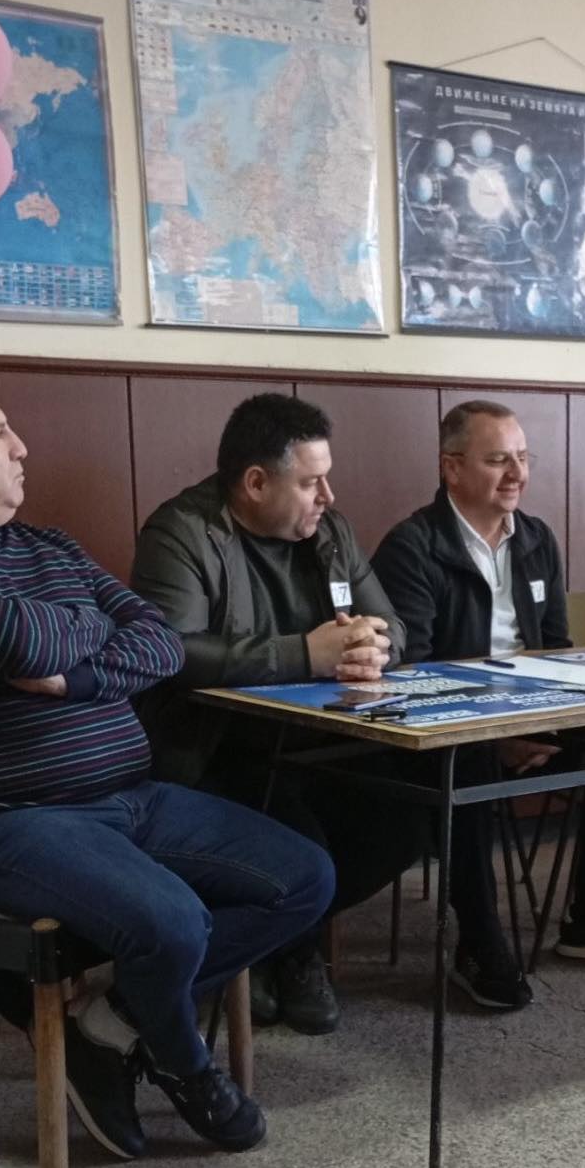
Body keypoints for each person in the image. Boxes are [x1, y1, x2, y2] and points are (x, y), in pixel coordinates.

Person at [0, 365, 335, 1159]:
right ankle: (184, 1062)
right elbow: (17, 641)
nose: (21, 447)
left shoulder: (51, 547)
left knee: (305, 877)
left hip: (132, 796)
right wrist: (82, 625)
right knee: (173, 924)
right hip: (13, 820)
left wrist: (74, 674)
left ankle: (110, 1024)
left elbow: (159, 641)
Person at [131, 393, 426, 1035]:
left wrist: (374, 646)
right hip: (214, 751)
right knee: (300, 837)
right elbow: (171, 651)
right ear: (256, 483)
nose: (328, 495)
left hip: (323, 741)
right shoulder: (182, 531)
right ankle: (291, 952)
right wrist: (304, 654)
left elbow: (394, 624)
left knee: (414, 811)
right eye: (311, 482)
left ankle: (278, 940)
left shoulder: (331, 531)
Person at [372, 399, 585, 1011]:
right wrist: (497, 730)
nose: (517, 474)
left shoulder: (535, 538)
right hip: (450, 729)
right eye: (497, 460)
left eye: (522, 457)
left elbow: (556, 648)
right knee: (469, 762)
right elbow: (414, 674)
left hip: (532, 713)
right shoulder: (413, 546)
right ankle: (479, 938)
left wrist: (553, 718)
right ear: (452, 467)